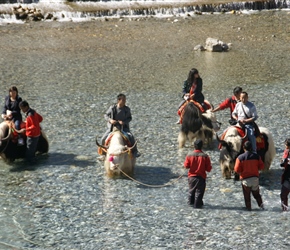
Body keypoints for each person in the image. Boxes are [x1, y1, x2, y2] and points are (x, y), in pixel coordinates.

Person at [99, 93, 140, 160]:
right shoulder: (112, 108)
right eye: (123, 100)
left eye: (125, 100)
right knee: (103, 138)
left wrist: (124, 122)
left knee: (131, 137)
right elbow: (105, 115)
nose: (124, 102)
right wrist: (110, 120)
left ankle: (135, 152)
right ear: (118, 100)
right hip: (113, 128)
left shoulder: (127, 109)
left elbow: (130, 118)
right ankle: (103, 154)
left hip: (123, 128)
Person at [234, 141, 264, 211]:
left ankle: (249, 212)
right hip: (255, 179)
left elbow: (237, 170)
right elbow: (261, 166)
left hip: (245, 180)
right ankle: (262, 207)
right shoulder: (257, 156)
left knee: (247, 198)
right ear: (251, 148)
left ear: (243, 148)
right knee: (257, 195)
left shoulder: (240, 158)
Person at [183, 139, 212, 208]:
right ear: (202, 146)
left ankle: (190, 207)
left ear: (194, 146)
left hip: (191, 177)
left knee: (191, 192)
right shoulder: (205, 156)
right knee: (199, 194)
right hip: (201, 178)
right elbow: (208, 169)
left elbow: (186, 166)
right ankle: (198, 208)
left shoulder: (189, 155)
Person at [280, 138, 290, 211]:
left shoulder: (286, 152)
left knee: (283, 195)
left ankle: (285, 210)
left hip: (288, 177)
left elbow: (282, 164)